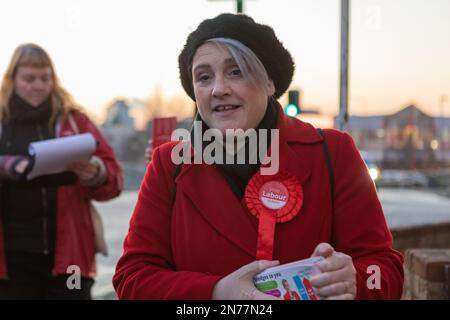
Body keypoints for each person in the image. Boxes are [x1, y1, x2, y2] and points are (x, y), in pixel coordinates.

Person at [113, 13, 404, 300]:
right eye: (203, 77)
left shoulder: (333, 152)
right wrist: (215, 294)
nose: (218, 89)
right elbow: (132, 279)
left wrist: (355, 281)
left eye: (236, 71)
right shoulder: (170, 163)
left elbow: (385, 270)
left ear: (270, 83)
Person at [0, 43, 123, 299]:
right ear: (12, 79)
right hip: (11, 263)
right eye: (29, 78)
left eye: (45, 78)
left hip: (71, 258)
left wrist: (96, 174)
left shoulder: (75, 120)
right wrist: (8, 165)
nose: (38, 86)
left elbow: (115, 178)